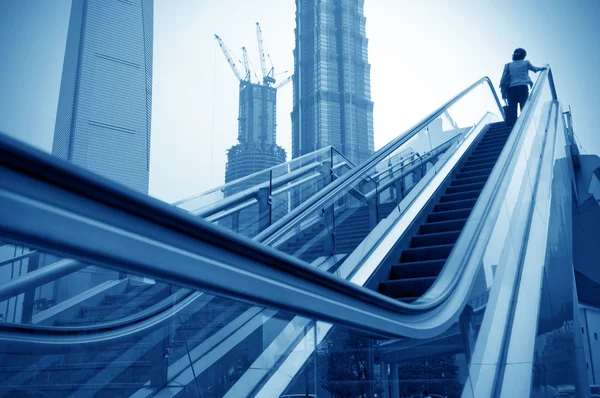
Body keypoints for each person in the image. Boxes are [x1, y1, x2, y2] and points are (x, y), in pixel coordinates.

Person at [499, 48, 546, 126]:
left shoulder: (508, 65)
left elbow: (503, 80)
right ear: (523, 56)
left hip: (511, 90)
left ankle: (513, 129)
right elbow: (535, 69)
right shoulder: (526, 63)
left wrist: (503, 92)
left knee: (512, 111)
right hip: (522, 88)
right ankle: (523, 128)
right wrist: (542, 68)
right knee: (524, 109)